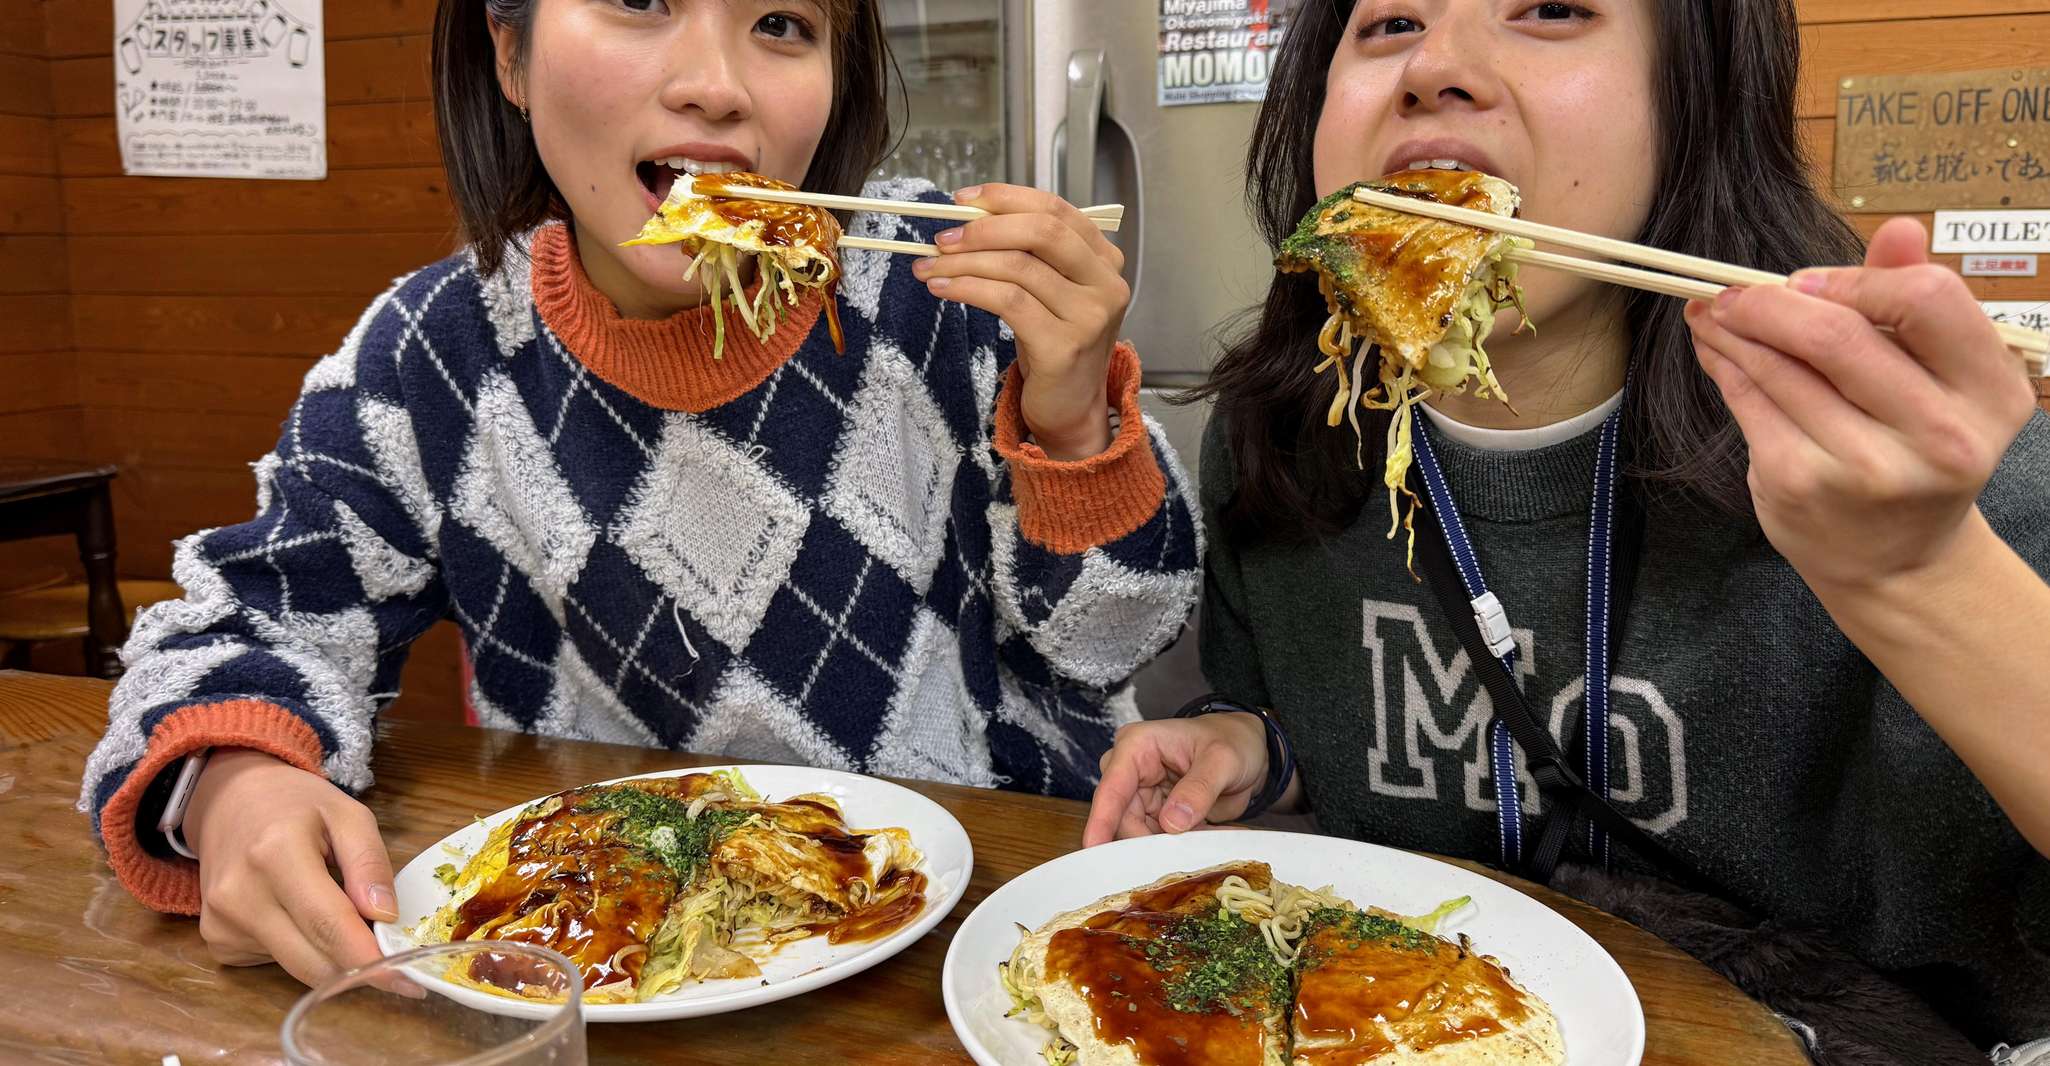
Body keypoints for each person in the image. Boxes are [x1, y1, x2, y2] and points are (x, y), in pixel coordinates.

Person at [79, 0, 1199, 989]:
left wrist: (1072, 423)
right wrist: (236, 783)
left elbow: (1114, 644)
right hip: (615, 954)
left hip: (985, 930)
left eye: (782, 24)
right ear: (509, 53)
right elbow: (247, 617)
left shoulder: (936, 289)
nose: (716, 84)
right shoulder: (437, 353)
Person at [1083, 0, 2049, 1055]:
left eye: (1551, 9)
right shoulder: (1284, 440)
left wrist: (1919, 574)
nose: (1436, 66)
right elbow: (1356, 748)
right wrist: (1258, 750)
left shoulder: (1911, 476)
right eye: (1389, 22)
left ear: (1694, 98)